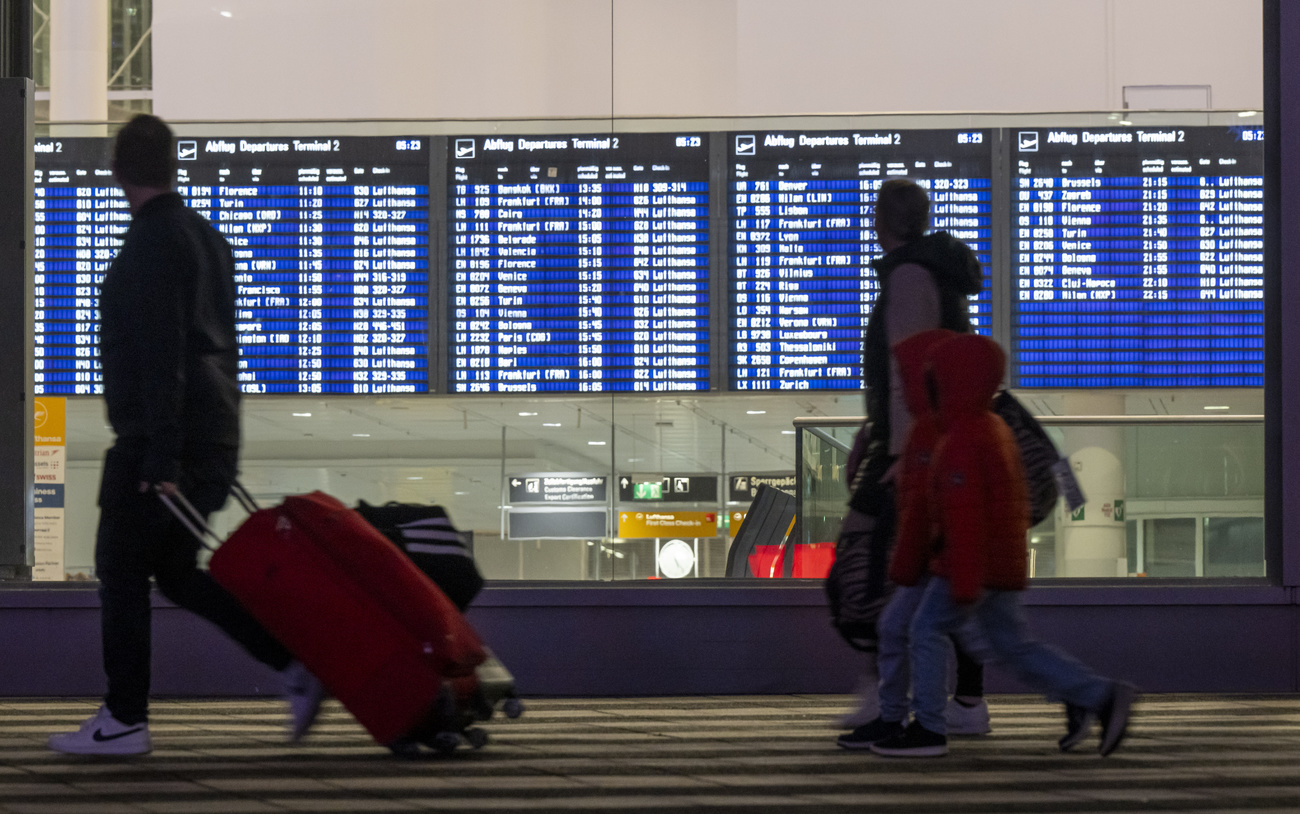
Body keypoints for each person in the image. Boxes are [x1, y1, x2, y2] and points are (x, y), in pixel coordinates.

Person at [48, 115, 325, 756]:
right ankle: (291, 663)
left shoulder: (149, 245)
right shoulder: (204, 236)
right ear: (170, 167)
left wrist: (159, 454)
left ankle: (124, 720)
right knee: (173, 571)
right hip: (212, 437)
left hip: (161, 443)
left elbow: (161, 352)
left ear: (118, 172)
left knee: (119, 571)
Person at [869, 333, 1136, 758]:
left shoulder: (963, 438)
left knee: (924, 629)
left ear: (948, 380)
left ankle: (930, 730)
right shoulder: (990, 427)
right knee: (1014, 646)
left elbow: (966, 516)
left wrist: (964, 581)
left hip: (974, 565)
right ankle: (1096, 694)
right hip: (998, 564)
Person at [836, 179, 988, 742]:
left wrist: (901, 452)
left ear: (879, 219)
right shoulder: (933, 274)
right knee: (925, 577)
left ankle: (890, 695)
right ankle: (958, 698)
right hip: (921, 442)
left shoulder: (907, 275)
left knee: (872, 564)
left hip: (914, 450)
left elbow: (913, 371)